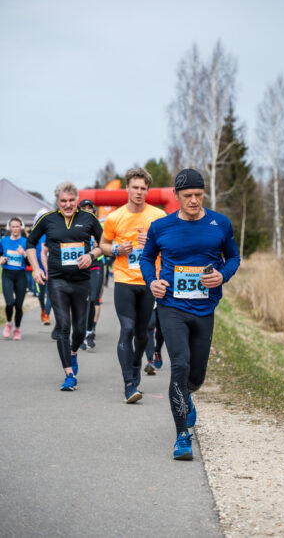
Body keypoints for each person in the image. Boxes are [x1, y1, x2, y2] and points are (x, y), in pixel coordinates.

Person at [140, 168, 240, 460]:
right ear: (176, 196)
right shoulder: (162, 227)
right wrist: (152, 281)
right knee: (180, 366)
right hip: (172, 306)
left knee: (196, 376)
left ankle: (187, 395)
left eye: (199, 195)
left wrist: (222, 275)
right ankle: (182, 435)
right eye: (188, 196)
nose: (194, 201)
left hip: (205, 307)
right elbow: (147, 257)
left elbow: (233, 257)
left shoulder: (220, 224)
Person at [26, 182, 103, 391]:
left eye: (71, 200)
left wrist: (91, 254)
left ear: (76, 200)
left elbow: (104, 243)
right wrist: (36, 268)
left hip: (81, 281)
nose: (68, 205)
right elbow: (30, 243)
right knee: (63, 326)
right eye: (63, 201)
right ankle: (69, 375)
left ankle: (74, 351)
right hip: (57, 281)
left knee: (79, 329)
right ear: (57, 201)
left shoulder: (89, 219)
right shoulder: (48, 220)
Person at [99, 167, 165, 403]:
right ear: (127, 188)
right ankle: (129, 384)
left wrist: (154, 243)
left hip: (148, 281)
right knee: (127, 329)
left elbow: (169, 246)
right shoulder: (115, 217)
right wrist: (116, 249)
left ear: (148, 191)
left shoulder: (158, 216)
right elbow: (104, 244)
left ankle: (136, 365)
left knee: (143, 333)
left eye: (143, 188)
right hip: (124, 279)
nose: (139, 192)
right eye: (135, 187)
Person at [78, 198, 105, 350]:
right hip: (81, 265)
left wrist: (99, 246)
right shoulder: (76, 225)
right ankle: (81, 334)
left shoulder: (100, 225)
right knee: (83, 301)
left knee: (93, 298)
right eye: (84, 208)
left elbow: (108, 244)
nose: (87, 210)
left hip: (95, 264)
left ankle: (89, 331)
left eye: (89, 208)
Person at [0, 217, 28, 340]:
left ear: (20, 228)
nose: (15, 229)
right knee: (10, 302)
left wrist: (24, 254)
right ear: (9, 228)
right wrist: (1, 259)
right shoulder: (3, 241)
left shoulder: (25, 242)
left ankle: (17, 328)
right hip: (7, 274)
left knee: (19, 305)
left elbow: (30, 262)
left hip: (21, 275)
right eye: (13, 226)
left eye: (17, 226)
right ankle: (8, 323)